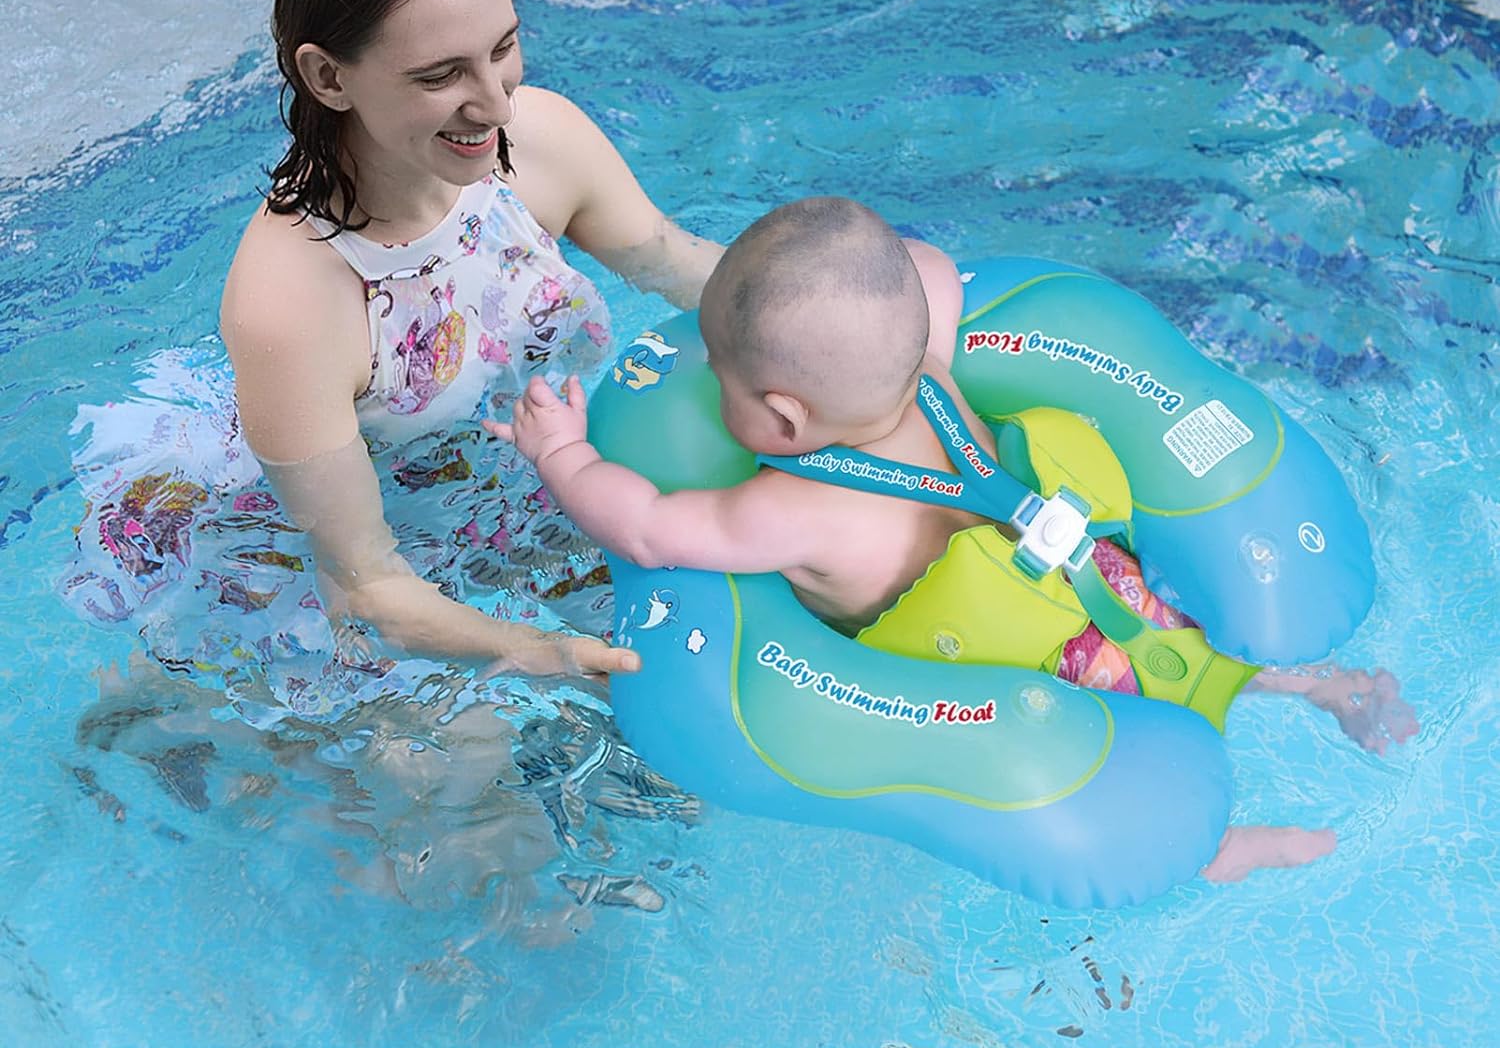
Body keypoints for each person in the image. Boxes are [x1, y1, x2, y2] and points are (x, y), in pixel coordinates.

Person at [493, 197, 1419, 883]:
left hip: (1041, 674)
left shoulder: (794, 508)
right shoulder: (931, 365)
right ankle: (1316, 686)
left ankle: (1232, 850)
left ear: (781, 417)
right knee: (1193, 654)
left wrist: (564, 453)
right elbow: (926, 267)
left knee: (1145, 798)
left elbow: (650, 532)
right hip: (1111, 590)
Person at [64, 0, 723, 725]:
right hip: (338, 558)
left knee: (690, 678)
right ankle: (158, 713)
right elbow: (365, 587)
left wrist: (871, 328)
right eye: (441, 74)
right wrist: (536, 654)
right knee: (472, 793)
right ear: (328, 77)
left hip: (526, 486)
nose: (494, 102)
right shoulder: (291, 302)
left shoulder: (540, 140)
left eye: (503, 48)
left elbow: (678, 265)